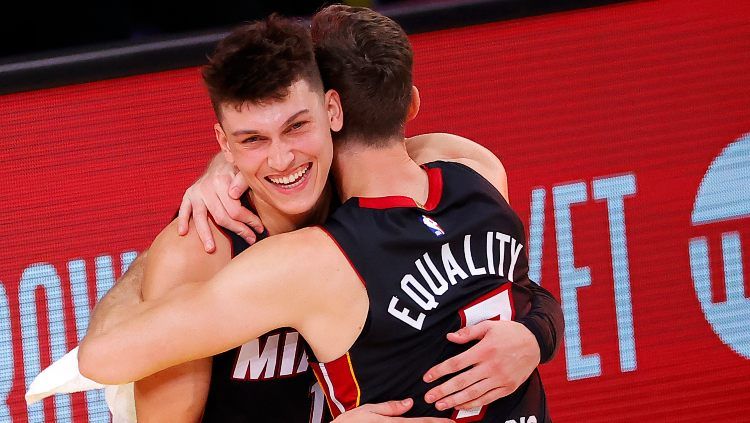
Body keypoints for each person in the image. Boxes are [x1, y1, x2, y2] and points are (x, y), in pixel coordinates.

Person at [80, 6, 562, 422]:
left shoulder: (330, 243)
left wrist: (534, 334)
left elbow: (516, 288)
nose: (282, 159)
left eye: (296, 127)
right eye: (252, 140)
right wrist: (149, 263)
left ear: (333, 111)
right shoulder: (201, 249)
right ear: (227, 145)